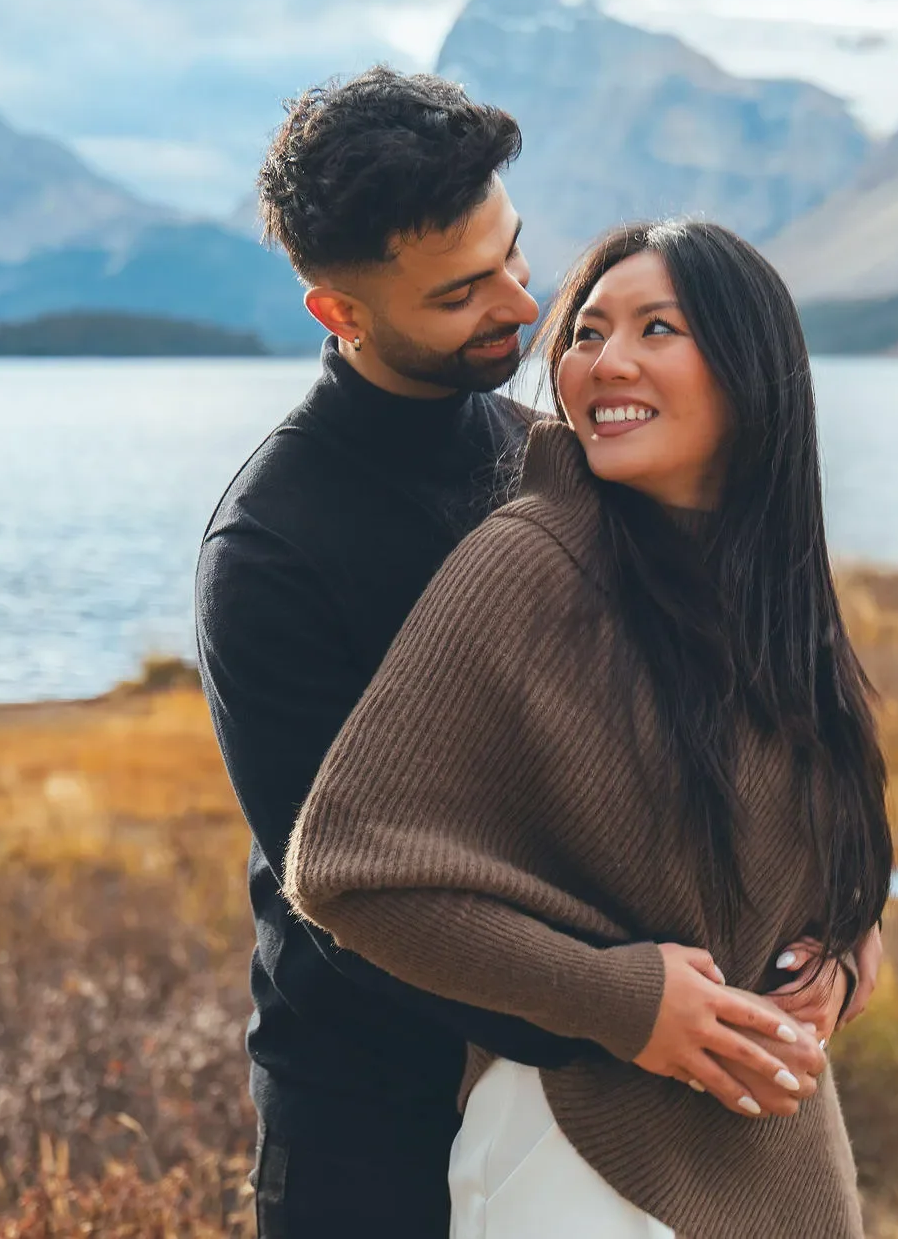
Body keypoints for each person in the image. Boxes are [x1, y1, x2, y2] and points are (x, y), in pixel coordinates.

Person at [195, 71, 862, 1237]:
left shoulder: (570, 464)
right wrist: (625, 1007)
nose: (521, 302)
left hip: (609, 1098)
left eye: (511, 251)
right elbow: (344, 905)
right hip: (370, 1125)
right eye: (461, 292)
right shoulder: (270, 550)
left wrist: (832, 928)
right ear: (340, 313)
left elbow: (731, 745)